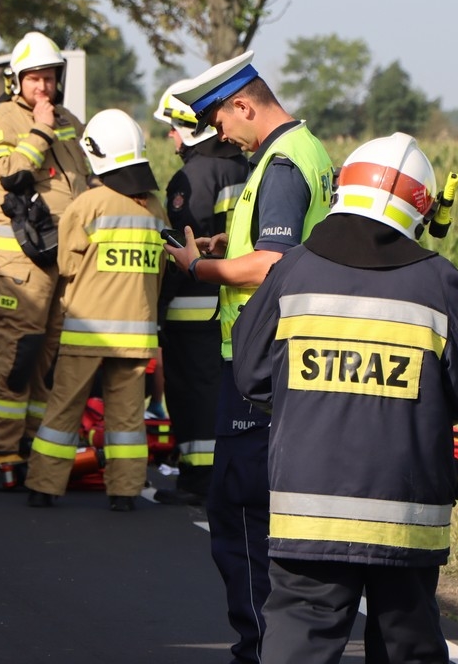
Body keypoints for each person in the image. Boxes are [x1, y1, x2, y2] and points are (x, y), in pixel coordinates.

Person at [232, 133, 458, 663]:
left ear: (342, 192)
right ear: (421, 211)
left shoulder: (292, 272)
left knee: (296, 646)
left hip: (306, 512)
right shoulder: (441, 283)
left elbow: (251, 375)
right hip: (406, 516)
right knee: (408, 646)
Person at [163, 51, 335, 664]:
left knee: (239, 510)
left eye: (219, 119)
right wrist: (223, 242)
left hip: (262, 357)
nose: (218, 134)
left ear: (245, 104)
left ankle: (261, 646)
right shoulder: (306, 151)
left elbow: (271, 263)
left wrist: (198, 265)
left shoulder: (282, 164)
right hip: (288, 350)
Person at [24, 109, 166, 511]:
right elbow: (160, 272)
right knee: (126, 419)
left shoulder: (87, 205)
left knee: (63, 409)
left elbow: (67, 265)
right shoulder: (155, 209)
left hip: (87, 330)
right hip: (138, 332)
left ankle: (43, 486)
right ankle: (125, 491)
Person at [0, 31, 89, 469]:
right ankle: (0, 448)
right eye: (34, 78)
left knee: (49, 355)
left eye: (49, 78)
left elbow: (85, 183)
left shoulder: (71, 121)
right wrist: (39, 128)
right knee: (17, 351)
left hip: (67, 256)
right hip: (24, 261)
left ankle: (32, 444)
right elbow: (7, 174)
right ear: (16, 80)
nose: (43, 87)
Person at [152, 80, 248, 506]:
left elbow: (178, 249)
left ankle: (197, 480)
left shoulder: (191, 177)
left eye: (174, 128)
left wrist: (158, 308)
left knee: (193, 394)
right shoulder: (244, 168)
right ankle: (223, 477)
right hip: (235, 307)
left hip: (192, 310)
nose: (171, 137)